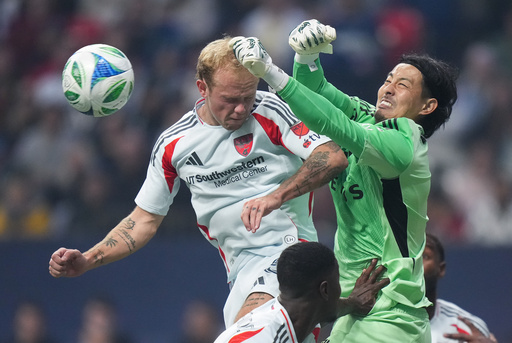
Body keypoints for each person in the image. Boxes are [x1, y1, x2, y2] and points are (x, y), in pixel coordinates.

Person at [48, 36, 348, 330]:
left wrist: (276, 197)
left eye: (248, 96)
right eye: (230, 100)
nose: (242, 108)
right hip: (240, 273)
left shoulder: (270, 110)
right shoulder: (174, 144)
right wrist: (89, 259)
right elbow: (144, 220)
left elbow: (331, 157)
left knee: (249, 334)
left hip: (290, 256)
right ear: (202, 88)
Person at [230, 18, 458, 342]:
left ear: (428, 106)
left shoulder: (405, 143)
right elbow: (318, 92)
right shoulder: (370, 116)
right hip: (355, 305)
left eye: (403, 85)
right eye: (389, 79)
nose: (389, 87)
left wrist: (271, 72)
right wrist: (306, 59)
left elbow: (334, 124)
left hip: (392, 314)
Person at [214, 241, 390, 343]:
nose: (341, 290)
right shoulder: (265, 337)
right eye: (338, 281)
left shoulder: (294, 310)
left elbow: (326, 308)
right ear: (325, 289)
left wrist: (353, 302)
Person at [423, 233, 496, 343]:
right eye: (408, 256)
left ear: (441, 269)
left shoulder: (469, 329)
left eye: (424, 256)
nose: (414, 263)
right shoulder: (386, 322)